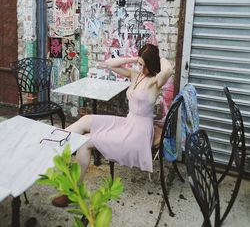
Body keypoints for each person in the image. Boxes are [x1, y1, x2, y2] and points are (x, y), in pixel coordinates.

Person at [52, 43, 173, 207]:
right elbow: (109, 64)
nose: (141, 67)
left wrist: (158, 56)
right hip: (128, 122)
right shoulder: (136, 75)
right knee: (87, 119)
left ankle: (71, 191)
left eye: (144, 65)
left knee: (85, 142)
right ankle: (53, 142)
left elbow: (168, 70)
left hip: (138, 134)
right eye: (140, 64)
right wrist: (135, 58)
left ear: (152, 65)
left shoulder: (154, 83)